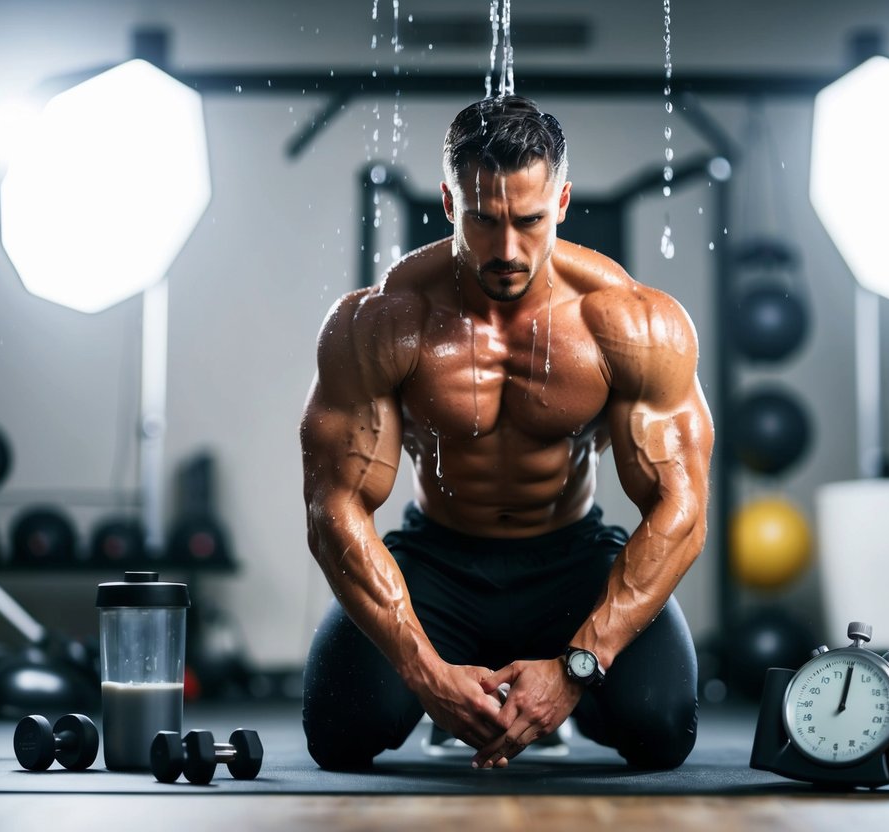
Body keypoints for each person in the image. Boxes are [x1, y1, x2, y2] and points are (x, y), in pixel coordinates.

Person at [299, 94, 713, 771]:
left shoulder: (630, 323)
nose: (506, 250)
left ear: (563, 200)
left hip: (571, 562)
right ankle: (472, 690)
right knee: (341, 731)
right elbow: (333, 508)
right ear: (446, 201)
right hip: (436, 561)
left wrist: (577, 668)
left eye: (528, 220)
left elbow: (682, 510)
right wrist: (424, 670)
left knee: (661, 728)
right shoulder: (383, 322)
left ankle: (547, 706)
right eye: (482, 220)